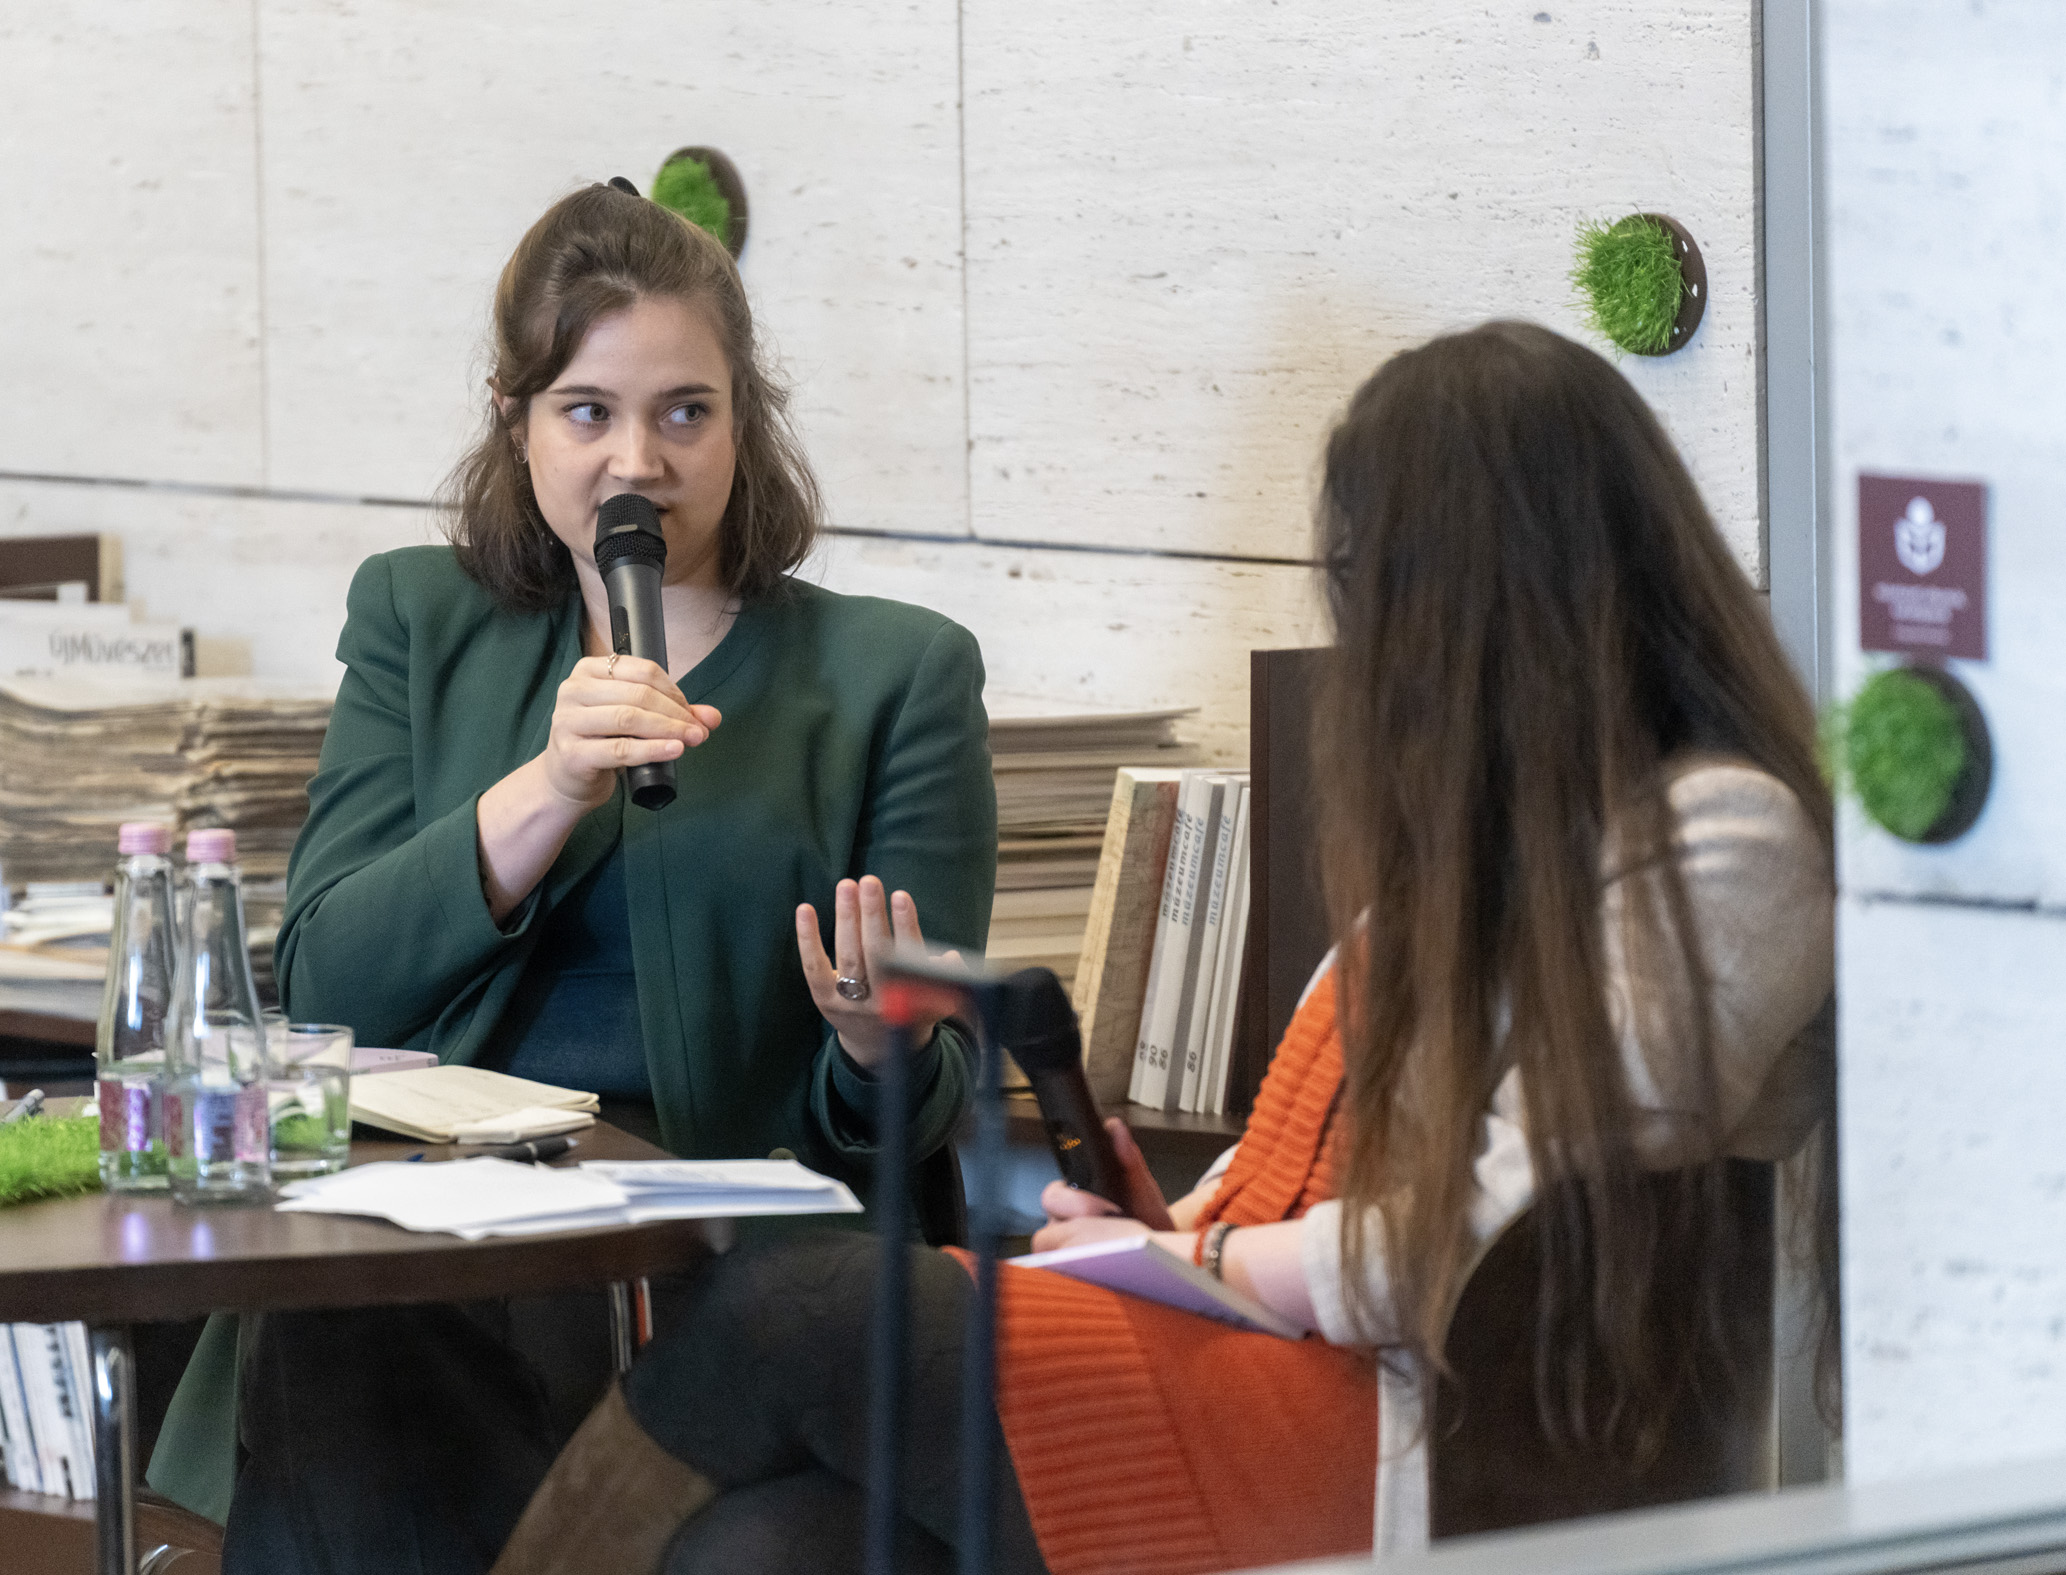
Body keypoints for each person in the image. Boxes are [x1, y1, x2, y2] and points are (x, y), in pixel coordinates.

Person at [486, 319, 1838, 1575]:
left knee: (796, 1305)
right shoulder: (1482, 837)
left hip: (1415, 1441)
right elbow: (1297, 1170)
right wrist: (1162, 1233)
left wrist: (1208, 1264)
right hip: (1283, 1350)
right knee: (773, 1547)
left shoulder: (1725, 838)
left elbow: (1483, 1242)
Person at [143, 180, 999, 1573]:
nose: (637, 463)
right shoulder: (419, 618)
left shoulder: (895, 673)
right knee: (351, 1307)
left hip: (721, 1243)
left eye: (685, 412)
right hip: (447, 1206)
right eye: (587, 412)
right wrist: (546, 787)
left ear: (745, 419)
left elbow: (926, 1102)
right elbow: (325, 980)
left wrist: (870, 1043)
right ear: (517, 420)